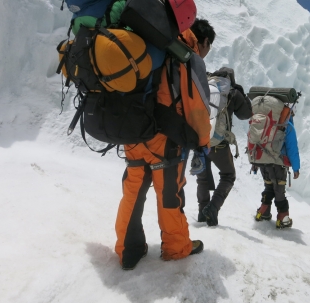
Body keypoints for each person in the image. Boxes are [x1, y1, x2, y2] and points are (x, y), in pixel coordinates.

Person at [114, 2, 211, 270]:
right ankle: (176, 247)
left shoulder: (140, 37)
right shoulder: (183, 52)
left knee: (133, 191)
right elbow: (197, 106)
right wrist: (203, 143)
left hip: (134, 130)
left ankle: (127, 249)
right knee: (169, 195)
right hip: (165, 140)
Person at [196, 67, 253, 226]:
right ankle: (212, 208)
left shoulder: (206, 85)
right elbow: (247, 114)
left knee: (203, 177)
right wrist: (242, 93)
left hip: (200, 140)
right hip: (218, 144)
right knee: (228, 175)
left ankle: (202, 212)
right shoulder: (232, 92)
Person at [254, 108, 301, 229]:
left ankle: (263, 211)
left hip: (263, 162)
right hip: (278, 164)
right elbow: (292, 149)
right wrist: (296, 168)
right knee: (279, 190)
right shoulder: (287, 126)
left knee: (268, 186)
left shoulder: (266, 122)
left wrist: (254, 162)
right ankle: (283, 217)